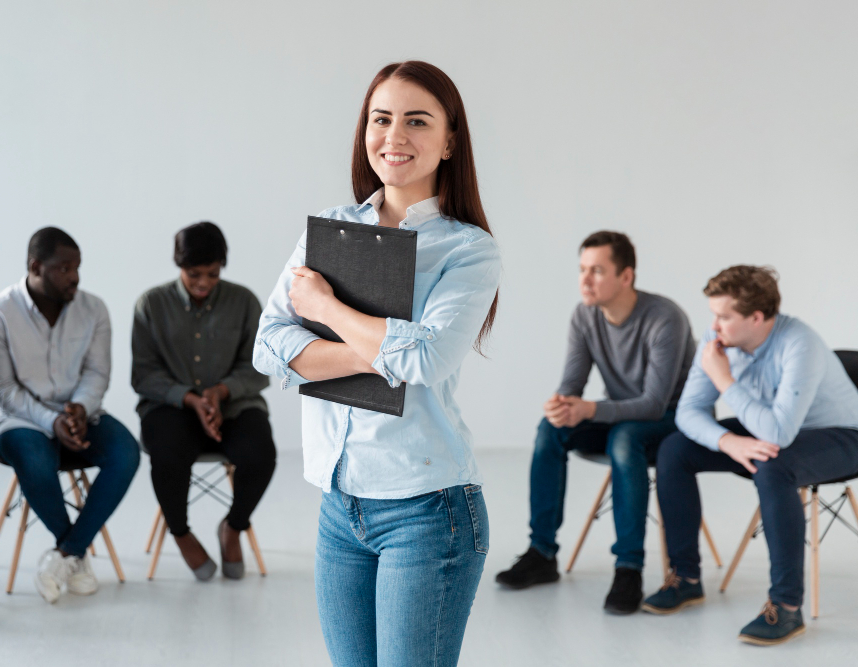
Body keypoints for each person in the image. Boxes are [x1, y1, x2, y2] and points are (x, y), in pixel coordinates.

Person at [253, 61, 500, 667]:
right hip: (339, 507)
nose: (395, 136)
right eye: (380, 118)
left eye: (417, 121)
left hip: (428, 509)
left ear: (449, 141)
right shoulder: (331, 229)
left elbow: (430, 358)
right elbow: (268, 347)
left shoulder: (468, 249)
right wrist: (383, 353)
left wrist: (324, 307)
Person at [644, 265, 858, 645]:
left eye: (724, 316)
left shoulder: (799, 343)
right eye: (713, 314)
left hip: (841, 437)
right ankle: (686, 578)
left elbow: (779, 432)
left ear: (757, 318)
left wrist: (723, 379)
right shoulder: (718, 341)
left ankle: (786, 607)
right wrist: (728, 442)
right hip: (768, 428)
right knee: (675, 448)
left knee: (773, 465)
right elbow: (688, 412)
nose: (714, 325)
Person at [495, 231, 695, 614]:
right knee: (549, 429)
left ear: (626, 277)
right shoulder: (584, 315)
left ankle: (629, 567)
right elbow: (572, 385)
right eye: (583, 270)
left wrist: (588, 410)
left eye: (597, 271)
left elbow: (653, 404)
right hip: (621, 412)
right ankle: (542, 553)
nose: (585, 280)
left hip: (671, 419)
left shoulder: (664, 318)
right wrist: (561, 405)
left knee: (623, 439)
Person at [0, 227, 140, 604]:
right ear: (36, 266)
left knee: (126, 453)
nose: (75, 276)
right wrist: (51, 422)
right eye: (64, 268)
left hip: (80, 411)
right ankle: (76, 555)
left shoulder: (93, 309)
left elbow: (97, 373)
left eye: (77, 267)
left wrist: (80, 408)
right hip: (18, 417)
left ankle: (65, 554)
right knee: (35, 459)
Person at [132, 221, 275, 580]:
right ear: (178, 264)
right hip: (171, 408)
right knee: (166, 453)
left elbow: (261, 367)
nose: (203, 283)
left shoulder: (244, 302)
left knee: (261, 454)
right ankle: (180, 533)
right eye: (194, 273)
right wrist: (191, 399)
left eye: (213, 274)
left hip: (235, 406)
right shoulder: (151, 304)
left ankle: (234, 526)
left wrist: (221, 391)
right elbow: (143, 375)